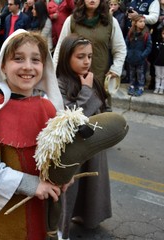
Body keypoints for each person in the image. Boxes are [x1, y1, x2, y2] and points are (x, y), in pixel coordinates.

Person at [0, 29, 71, 240]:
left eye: (35, 59)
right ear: (3, 65)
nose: (28, 66)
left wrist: (65, 174)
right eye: (18, 59)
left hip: (43, 207)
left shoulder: (49, 109)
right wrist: (33, 184)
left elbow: (63, 153)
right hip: (6, 215)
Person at [56, 34, 110, 239]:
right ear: (66, 57)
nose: (87, 61)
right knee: (70, 189)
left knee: (92, 184)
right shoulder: (60, 83)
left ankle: (87, 216)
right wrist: (86, 90)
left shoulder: (90, 78)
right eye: (80, 56)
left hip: (93, 144)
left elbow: (101, 108)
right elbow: (71, 117)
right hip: (73, 148)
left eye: (89, 56)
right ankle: (62, 230)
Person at [53, 0, 126, 107]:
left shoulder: (110, 21)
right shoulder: (72, 21)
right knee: (77, 115)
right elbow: (60, 48)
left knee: (100, 116)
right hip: (74, 82)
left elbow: (120, 49)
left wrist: (115, 69)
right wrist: (54, 75)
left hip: (100, 78)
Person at [126, 15, 152, 96]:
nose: (142, 23)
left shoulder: (146, 34)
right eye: (140, 21)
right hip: (131, 58)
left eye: (144, 22)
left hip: (140, 59)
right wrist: (128, 53)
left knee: (140, 74)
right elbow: (126, 44)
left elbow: (149, 47)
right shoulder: (130, 33)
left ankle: (140, 87)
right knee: (132, 73)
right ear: (135, 23)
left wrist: (142, 56)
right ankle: (132, 86)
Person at [153, 26, 164, 94]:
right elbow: (155, 52)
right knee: (157, 75)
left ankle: (162, 88)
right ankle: (157, 87)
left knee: (163, 76)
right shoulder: (158, 42)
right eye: (163, 33)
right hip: (157, 62)